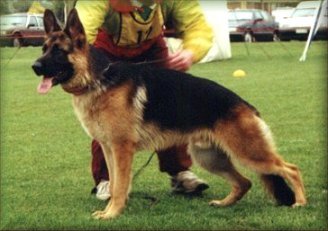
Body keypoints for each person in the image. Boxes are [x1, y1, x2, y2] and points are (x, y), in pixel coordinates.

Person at [69, 0, 214, 200]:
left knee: (171, 107)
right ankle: (106, 180)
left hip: (152, 48)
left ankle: (179, 172)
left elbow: (197, 25)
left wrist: (192, 51)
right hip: (108, 50)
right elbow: (83, 26)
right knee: (107, 115)